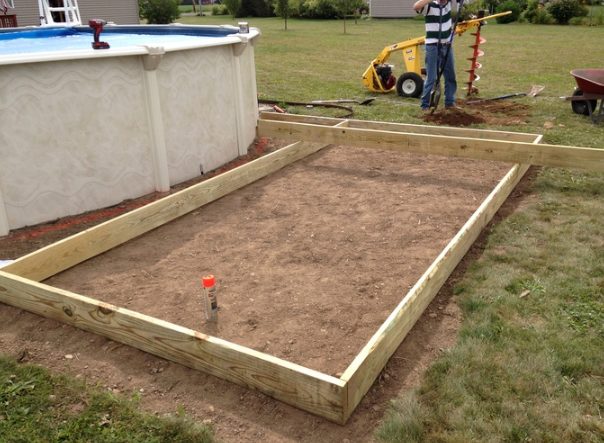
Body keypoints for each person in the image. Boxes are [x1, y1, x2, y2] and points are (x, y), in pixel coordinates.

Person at [413, 0, 459, 112]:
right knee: (432, 77)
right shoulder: (429, 6)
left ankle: (450, 102)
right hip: (432, 46)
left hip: (447, 45)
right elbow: (416, 6)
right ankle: (425, 105)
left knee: (450, 76)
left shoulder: (448, 4)